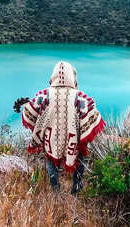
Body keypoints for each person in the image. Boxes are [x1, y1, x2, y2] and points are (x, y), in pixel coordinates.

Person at [21, 61, 105, 194]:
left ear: (53, 75)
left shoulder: (43, 95)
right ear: (72, 76)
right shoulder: (80, 97)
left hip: (51, 137)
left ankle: (56, 190)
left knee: (50, 159)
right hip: (74, 138)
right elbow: (94, 115)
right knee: (80, 156)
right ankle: (76, 188)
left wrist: (40, 124)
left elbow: (28, 112)